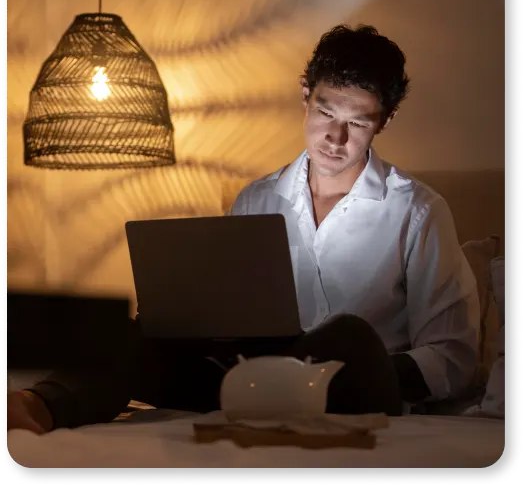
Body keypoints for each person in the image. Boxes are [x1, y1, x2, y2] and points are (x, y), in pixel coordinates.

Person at [8, 25, 479, 434]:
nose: (335, 139)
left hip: (347, 383)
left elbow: (454, 357)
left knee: (347, 337)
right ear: (305, 97)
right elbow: (226, 321)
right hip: (248, 381)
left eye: (357, 123)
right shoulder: (257, 198)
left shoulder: (417, 211)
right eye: (326, 114)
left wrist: (350, 369)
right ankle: (39, 405)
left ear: (385, 121)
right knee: (135, 331)